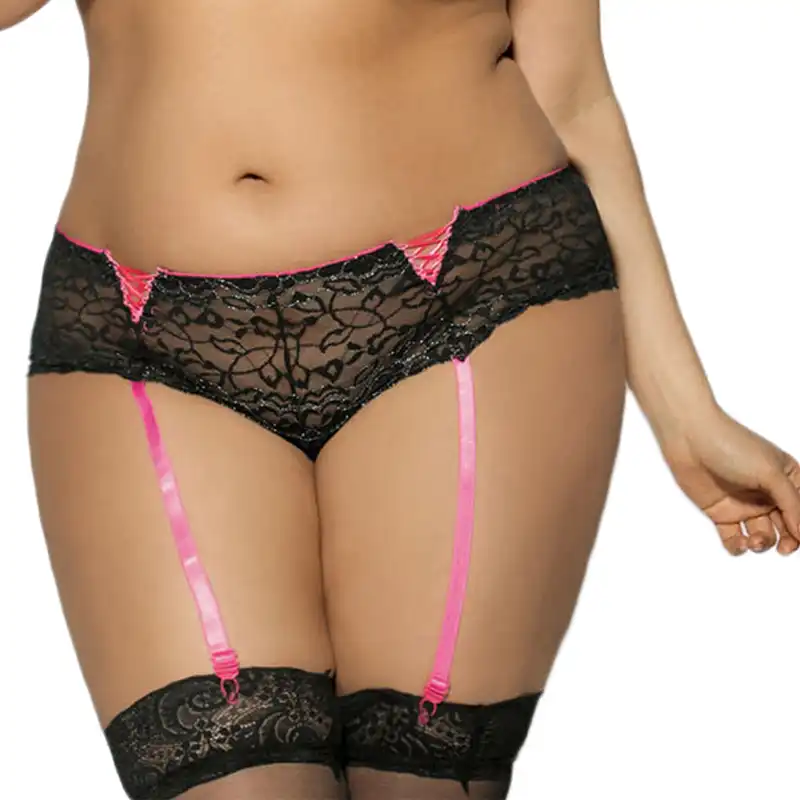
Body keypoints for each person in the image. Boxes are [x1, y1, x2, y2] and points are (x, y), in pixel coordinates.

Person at [6, 1, 799, 798]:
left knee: (420, 781)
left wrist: (686, 412)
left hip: (467, 298)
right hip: (137, 332)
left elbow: (571, 94)